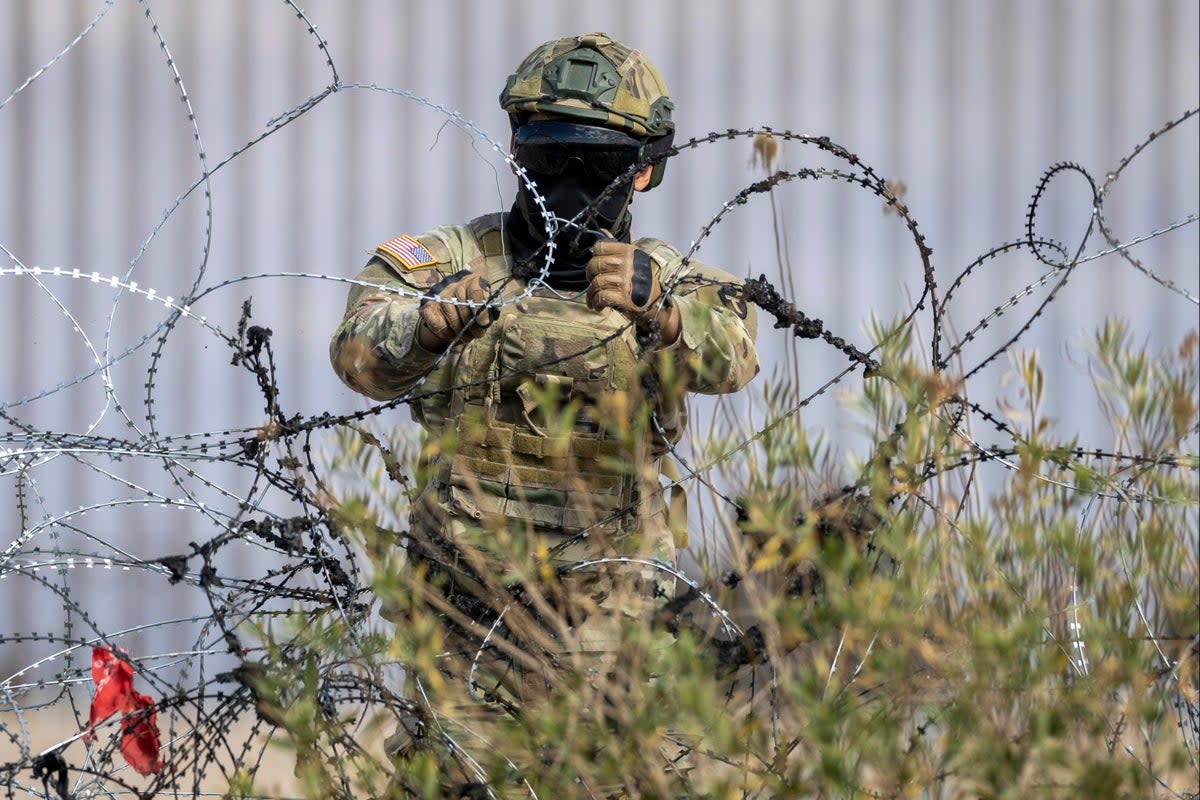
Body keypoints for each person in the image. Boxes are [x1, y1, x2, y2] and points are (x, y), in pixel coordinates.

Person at [329, 32, 759, 794]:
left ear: (645, 170)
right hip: (467, 620)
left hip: (614, 625)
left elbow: (736, 353)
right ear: (516, 151)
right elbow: (357, 352)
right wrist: (428, 325)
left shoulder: (666, 279)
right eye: (547, 160)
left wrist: (660, 312)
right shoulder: (450, 261)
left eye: (594, 166)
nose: (566, 185)